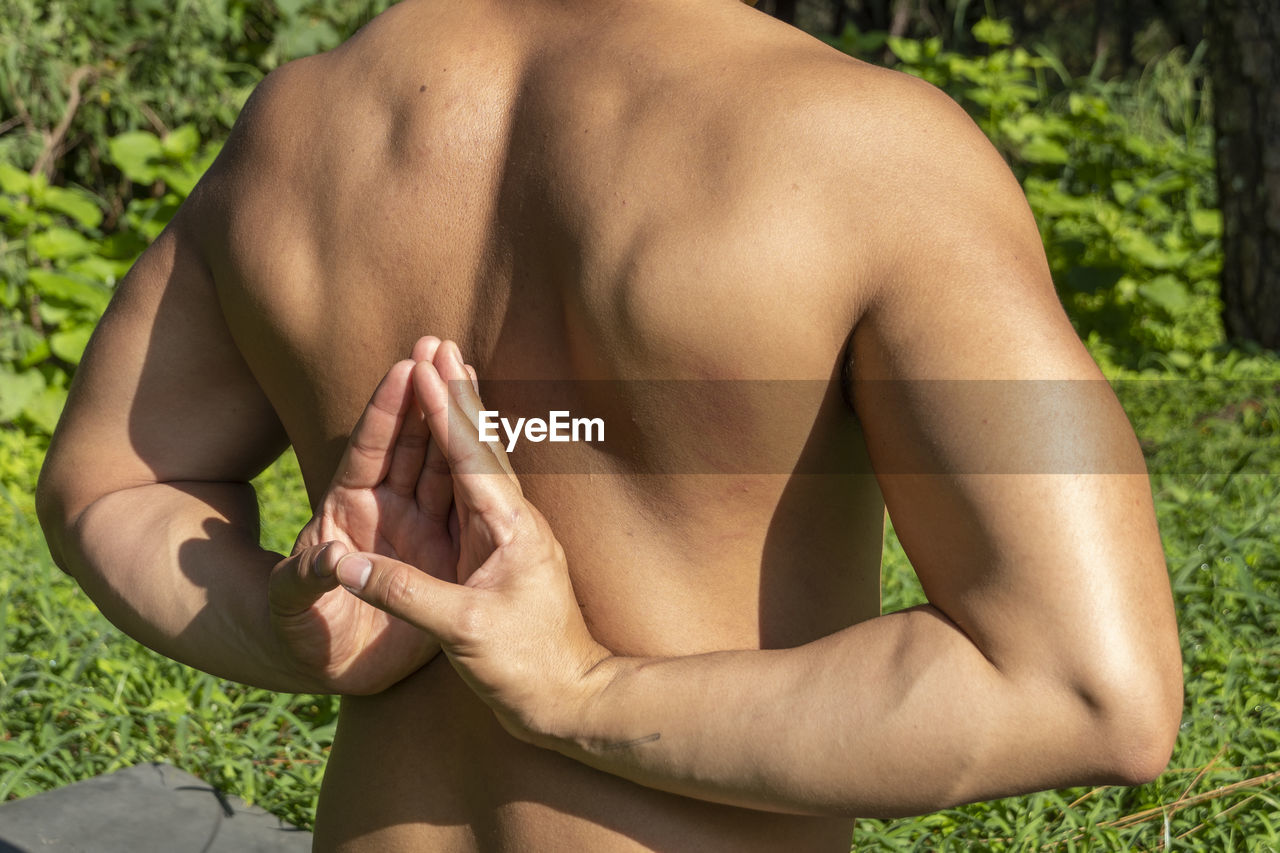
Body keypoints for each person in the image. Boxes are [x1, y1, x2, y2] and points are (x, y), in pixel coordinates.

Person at [36, 0, 1183, 848]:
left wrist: (281, 625)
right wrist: (581, 692)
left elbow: (106, 483)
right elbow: (1085, 686)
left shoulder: (301, 124)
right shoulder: (865, 149)